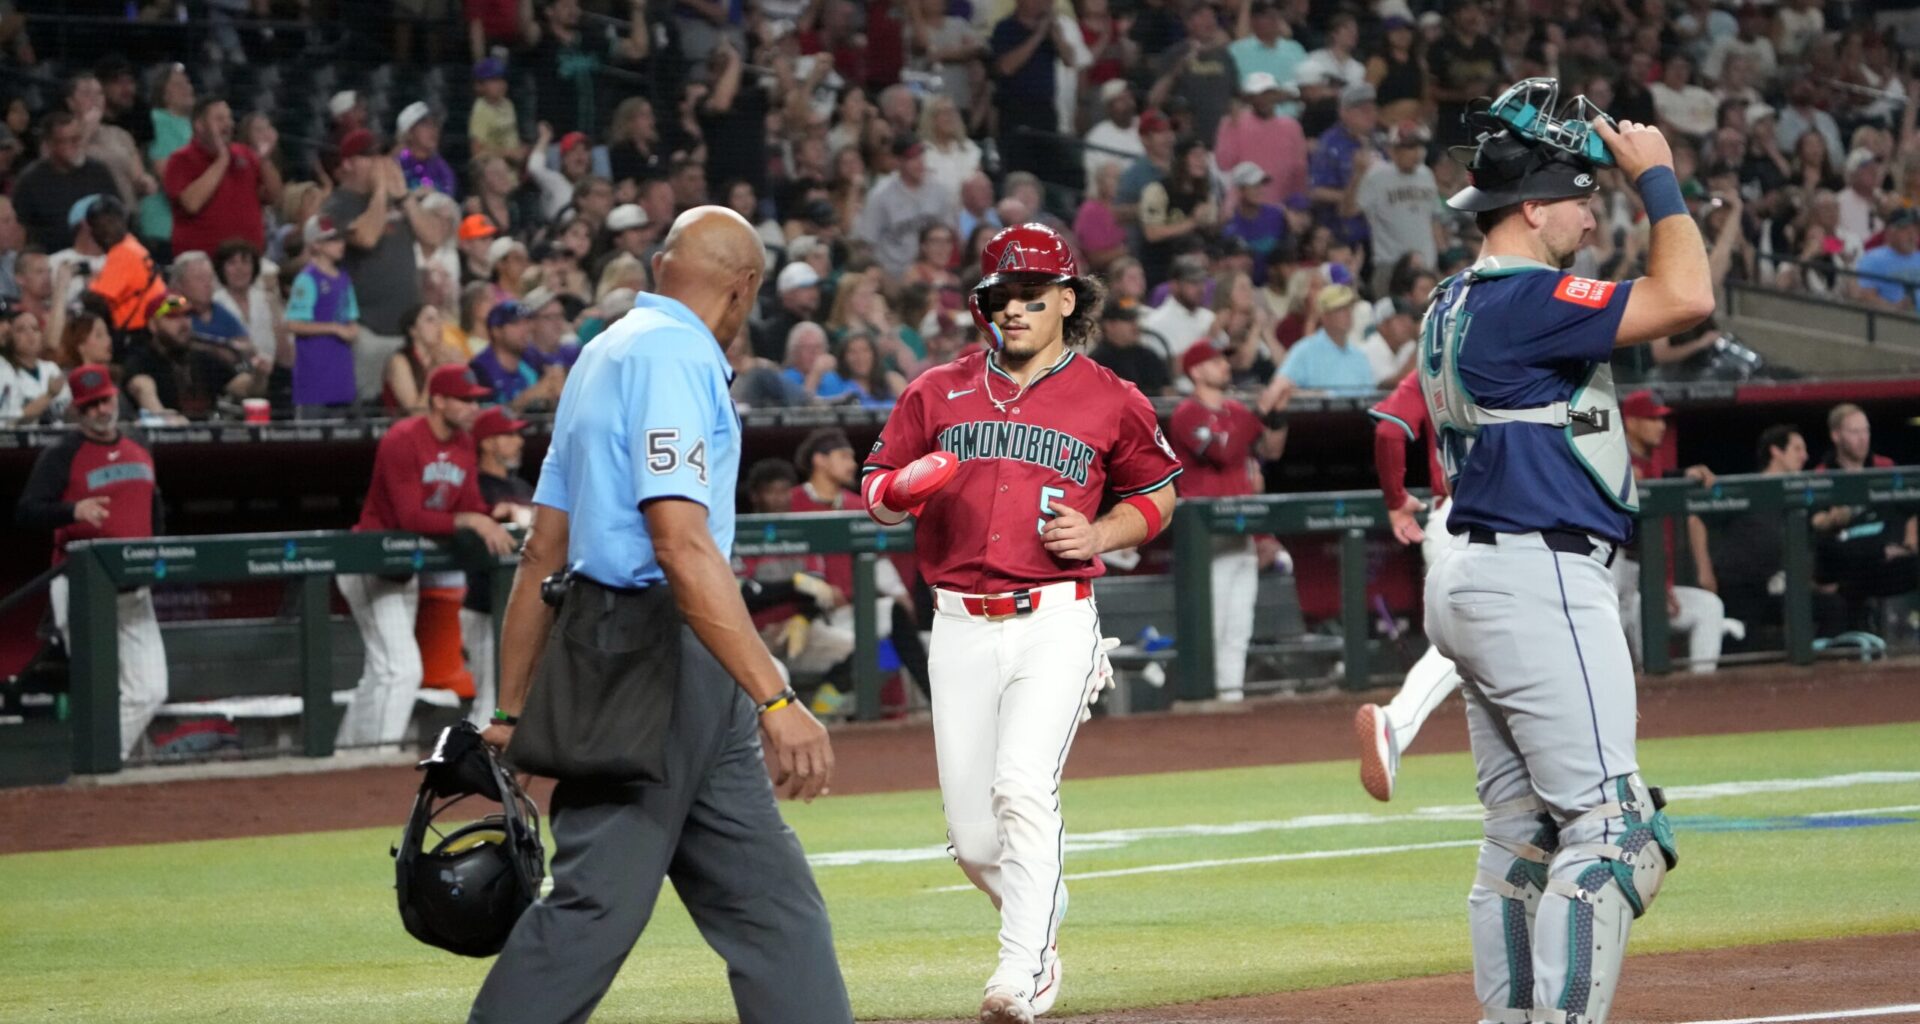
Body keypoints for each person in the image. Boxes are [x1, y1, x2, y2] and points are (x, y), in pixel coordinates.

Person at [471, 206, 849, 1024]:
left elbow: (542, 549)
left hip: (632, 648)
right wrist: (777, 700)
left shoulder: (600, 352)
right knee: (596, 905)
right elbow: (680, 545)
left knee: (772, 907)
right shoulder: (679, 356)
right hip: (654, 656)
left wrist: (509, 707)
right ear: (744, 290)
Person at [1417, 90, 1713, 1024]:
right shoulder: (1523, 299)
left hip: (1472, 571)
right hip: (1535, 573)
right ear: (1533, 207)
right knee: (1617, 832)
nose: (1595, 213)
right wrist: (1656, 178)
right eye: (1581, 197)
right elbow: (1688, 297)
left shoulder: (1450, 298)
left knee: (1519, 835)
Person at [860, 222, 1180, 1024]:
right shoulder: (938, 389)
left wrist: (1102, 533)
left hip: (1055, 619)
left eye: (1030, 298)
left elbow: (1161, 494)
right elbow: (873, 485)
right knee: (973, 839)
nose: (1012, 312)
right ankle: (1038, 909)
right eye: (999, 298)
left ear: (1067, 302)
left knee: (1021, 790)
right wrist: (899, 491)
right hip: (959, 623)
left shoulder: (1112, 397)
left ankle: (1023, 972)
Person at [336, 364, 513, 748]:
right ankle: (374, 763)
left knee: (382, 672)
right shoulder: (402, 438)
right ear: (438, 401)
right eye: (464, 400)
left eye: (475, 400)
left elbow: (470, 504)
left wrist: (494, 513)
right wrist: (470, 519)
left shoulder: (464, 444)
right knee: (401, 671)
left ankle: (345, 755)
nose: (472, 408)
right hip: (372, 560)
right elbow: (409, 516)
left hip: (407, 568)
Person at [15, 365, 167, 758]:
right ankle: (99, 773)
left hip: (135, 588)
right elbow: (27, 511)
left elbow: (154, 506)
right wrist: (72, 511)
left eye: (105, 399)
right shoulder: (62, 454)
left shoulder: (138, 444)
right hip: (83, 586)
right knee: (100, 688)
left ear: (115, 395)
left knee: (151, 689)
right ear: (77, 411)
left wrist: (157, 556)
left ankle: (99, 762)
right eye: (91, 405)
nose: (101, 410)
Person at [1352, 369, 1463, 802]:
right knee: (1478, 648)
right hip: (1499, 519)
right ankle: (1395, 724)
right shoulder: (1523, 344)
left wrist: (1396, 499)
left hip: (1447, 517)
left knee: (1485, 664)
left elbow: (1388, 433)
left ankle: (1523, 813)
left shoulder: (1436, 358)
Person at [1169, 343, 1286, 703]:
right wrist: (1261, 411)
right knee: (1213, 628)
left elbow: (1272, 451)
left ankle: (1230, 700)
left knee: (1239, 629)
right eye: (1214, 361)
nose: (1224, 365)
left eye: (1223, 359)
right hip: (1207, 536)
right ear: (1195, 372)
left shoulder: (1236, 410)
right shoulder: (1185, 415)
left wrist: (1276, 415)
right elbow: (1224, 453)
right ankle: (1204, 700)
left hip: (1243, 532)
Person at [323, 130, 443, 402]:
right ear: (348, 163)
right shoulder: (337, 204)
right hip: (368, 330)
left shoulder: (397, 201)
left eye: (383, 155)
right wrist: (379, 191)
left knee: (414, 410)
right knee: (371, 408)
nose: (381, 163)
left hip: (407, 331)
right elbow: (365, 238)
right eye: (370, 156)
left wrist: (404, 197)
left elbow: (433, 237)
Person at [1615, 390, 1726, 673]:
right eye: (1653, 419)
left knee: (1709, 607)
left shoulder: (1652, 462)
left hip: (1646, 578)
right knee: (1636, 622)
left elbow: (1662, 487)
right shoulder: (1613, 457)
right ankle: (1647, 686)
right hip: (1615, 573)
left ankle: (1700, 690)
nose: (1661, 426)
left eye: (1662, 420)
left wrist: (1683, 475)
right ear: (1631, 422)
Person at [458, 405, 535, 730]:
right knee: (491, 696)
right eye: (508, 435)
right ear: (487, 442)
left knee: (517, 696)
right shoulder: (473, 484)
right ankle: (473, 762)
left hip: (519, 607)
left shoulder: (522, 487)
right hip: (484, 606)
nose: (518, 441)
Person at [163, 97, 278, 258]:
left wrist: (264, 160)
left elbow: (274, 196)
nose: (228, 124)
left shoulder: (245, 154)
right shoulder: (181, 159)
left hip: (248, 261)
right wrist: (222, 159)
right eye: (219, 119)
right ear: (200, 125)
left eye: (229, 118)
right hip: (202, 264)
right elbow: (191, 203)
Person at [123, 291, 262, 420]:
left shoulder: (202, 358)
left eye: (187, 315)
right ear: (153, 325)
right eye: (173, 316)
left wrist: (261, 373)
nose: (184, 323)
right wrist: (166, 419)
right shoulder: (141, 361)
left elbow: (244, 389)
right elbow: (145, 393)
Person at [11, 111, 121, 249]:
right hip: (53, 259)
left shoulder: (99, 172)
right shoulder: (30, 182)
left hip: (102, 251)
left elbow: (117, 212)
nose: (76, 145)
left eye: (78, 138)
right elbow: (22, 230)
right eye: (68, 141)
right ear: (50, 145)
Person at [285, 216, 360, 417]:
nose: (340, 244)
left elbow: (351, 318)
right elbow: (293, 324)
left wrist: (352, 330)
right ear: (315, 245)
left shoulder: (344, 278)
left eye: (340, 239)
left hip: (341, 373)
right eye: (332, 240)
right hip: (314, 375)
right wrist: (334, 328)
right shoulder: (307, 279)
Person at [470, 300, 566, 413]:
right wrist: (526, 399)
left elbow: (555, 374)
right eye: (516, 324)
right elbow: (482, 418)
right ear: (496, 331)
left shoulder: (532, 358)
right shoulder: (480, 369)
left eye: (527, 322)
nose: (526, 329)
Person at [1273, 284, 1372, 393]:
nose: (1348, 314)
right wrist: (1313, 395)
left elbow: (1369, 398)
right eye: (1340, 309)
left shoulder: (1359, 356)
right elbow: (1279, 389)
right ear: (1324, 316)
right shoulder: (1304, 351)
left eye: (1350, 308)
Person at [1087, 301, 1170, 395]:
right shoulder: (1098, 361)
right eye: (1127, 320)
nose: (1135, 325)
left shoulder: (1148, 356)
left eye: (1135, 319)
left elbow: (1168, 390)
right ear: (1109, 326)